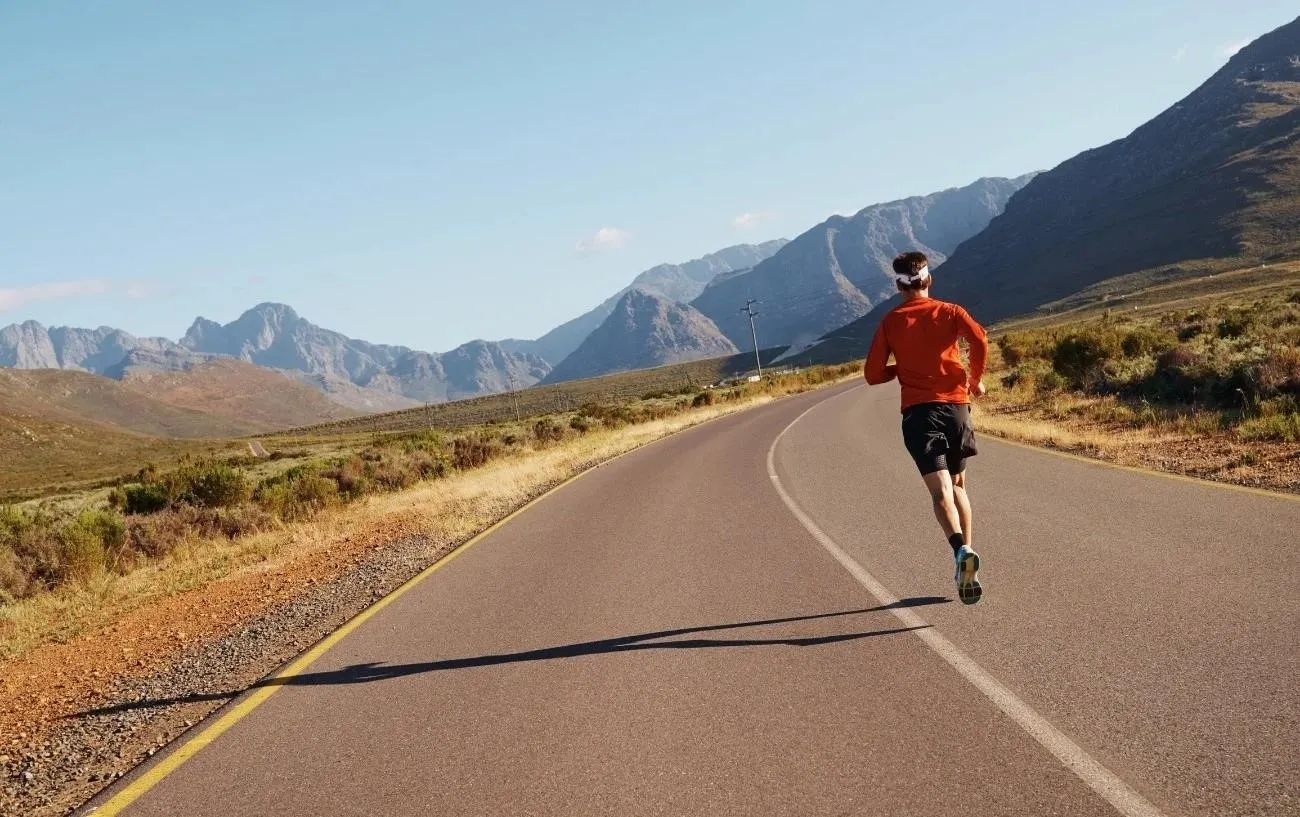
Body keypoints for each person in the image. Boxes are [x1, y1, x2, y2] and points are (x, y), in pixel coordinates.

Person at [863, 251, 989, 604]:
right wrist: (974, 379)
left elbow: (872, 375)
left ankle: (959, 551)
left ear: (898, 286)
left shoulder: (890, 322)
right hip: (956, 409)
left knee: (939, 492)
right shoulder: (950, 311)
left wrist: (900, 369)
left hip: (920, 415)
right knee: (960, 484)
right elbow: (979, 339)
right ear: (928, 280)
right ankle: (968, 549)